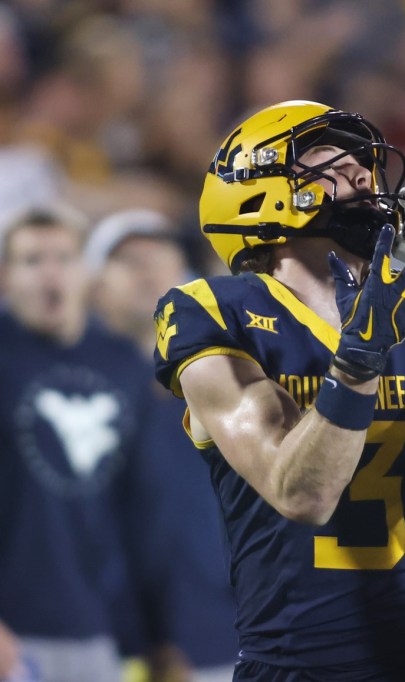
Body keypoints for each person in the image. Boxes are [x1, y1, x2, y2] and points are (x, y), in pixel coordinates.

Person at [151, 99, 405, 681]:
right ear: (258, 188)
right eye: (331, 162)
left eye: (365, 164)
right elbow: (301, 495)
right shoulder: (213, 311)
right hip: (303, 661)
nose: (364, 175)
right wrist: (357, 364)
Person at [0, 205, 154, 682]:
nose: (51, 273)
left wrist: (152, 632)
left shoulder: (126, 364)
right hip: (12, 632)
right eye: (32, 260)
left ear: (86, 273)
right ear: (6, 277)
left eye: (64, 257)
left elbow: (142, 505)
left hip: (103, 632)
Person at [86, 208, 238, 682]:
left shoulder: (230, 372)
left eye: (160, 254)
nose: (146, 267)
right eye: (127, 258)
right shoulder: (68, 384)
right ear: (94, 283)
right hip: (105, 641)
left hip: (232, 633)